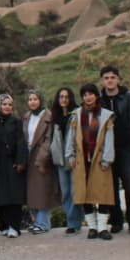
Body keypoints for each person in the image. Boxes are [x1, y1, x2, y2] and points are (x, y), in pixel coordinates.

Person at [67, 83, 116, 240]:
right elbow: (71, 137)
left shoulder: (106, 115)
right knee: (84, 194)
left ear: (96, 95)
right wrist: (70, 155)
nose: (88, 97)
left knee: (102, 193)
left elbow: (109, 138)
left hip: (99, 159)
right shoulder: (76, 114)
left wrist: (107, 159)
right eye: (85, 94)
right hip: (82, 159)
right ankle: (92, 227)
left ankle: (102, 227)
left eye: (91, 94)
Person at [100, 66, 130, 234]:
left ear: (118, 79)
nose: (110, 80)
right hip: (107, 149)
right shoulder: (99, 100)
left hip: (126, 148)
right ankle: (116, 220)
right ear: (102, 81)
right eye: (106, 77)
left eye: (113, 77)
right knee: (110, 186)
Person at [0, 93, 28, 238]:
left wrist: (21, 162)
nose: (7, 107)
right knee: (1, 197)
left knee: (14, 196)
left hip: (13, 163)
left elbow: (21, 142)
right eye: (4, 104)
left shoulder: (16, 121)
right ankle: (4, 225)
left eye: (9, 104)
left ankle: (15, 226)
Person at [20, 90, 56, 233]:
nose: (32, 102)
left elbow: (48, 140)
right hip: (28, 156)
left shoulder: (48, 116)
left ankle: (43, 223)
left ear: (41, 100)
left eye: (35, 99)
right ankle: (37, 222)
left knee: (42, 191)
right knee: (32, 192)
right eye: (30, 99)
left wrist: (42, 160)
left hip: (41, 157)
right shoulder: (27, 116)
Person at [49, 87, 82, 235]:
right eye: (61, 96)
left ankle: (75, 223)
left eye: (66, 97)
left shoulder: (76, 115)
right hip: (60, 160)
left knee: (75, 191)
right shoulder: (54, 117)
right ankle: (71, 221)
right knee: (66, 192)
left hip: (73, 159)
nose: (64, 99)